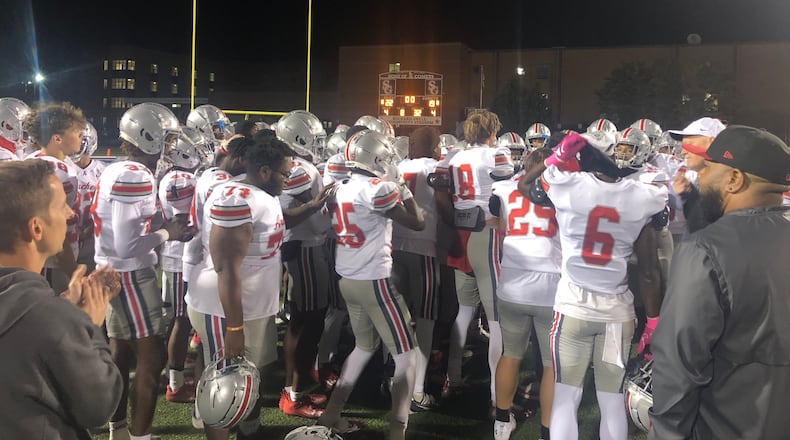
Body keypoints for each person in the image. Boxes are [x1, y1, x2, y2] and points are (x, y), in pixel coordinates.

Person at [517, 132, 667, 440]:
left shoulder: (568, 185)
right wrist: (653, 321)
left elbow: (524, 185)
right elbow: (649, 272)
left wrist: (552, 158)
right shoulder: (644, 196)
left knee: (565, 397)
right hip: (616, 313)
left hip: (572, 309)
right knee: (611, 400)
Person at [186, 137, 332, 440]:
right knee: (224, 388)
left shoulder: (258, 193)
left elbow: (275, 223)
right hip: (222, 308)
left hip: (251, 306)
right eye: (284, 174)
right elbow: (225, 266)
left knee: (251, 376)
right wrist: (234, 328)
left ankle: (250, 431)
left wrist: (310, 207)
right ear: (264, 171)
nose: (288, 180)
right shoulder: (236, 198)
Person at [649, 125, 790, 439]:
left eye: (710, 168)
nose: (702, 176)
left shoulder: (705, 249)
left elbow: (679, 367)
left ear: (734, 179)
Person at [0, 159, 123, 440]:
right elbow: (98, 406)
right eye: (60, 206)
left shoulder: (49, 314)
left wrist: (64, 312)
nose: (69, 214)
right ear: (36, 228)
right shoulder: (51, 318)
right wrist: (87, 326)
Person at [92, 103, 192, 440]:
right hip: (130, 274)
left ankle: (118, 431)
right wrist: (168, 234)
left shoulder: (119, 169)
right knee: (151, 361)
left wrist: (165, 226)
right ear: (147, 138)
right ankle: (139, 436)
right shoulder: (135, 174)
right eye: (165, 139)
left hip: (114, 270)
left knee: (120, 353)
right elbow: (126, 245)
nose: (170, 147)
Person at [317, 130, 424, 440]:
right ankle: (397, 432)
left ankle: (330, 414)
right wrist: (403, 188)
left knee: (364, 346)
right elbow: (417, 223)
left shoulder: (339, 188)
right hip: (374, 280)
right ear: (374, 158)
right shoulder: (378, 190)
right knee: (408, 356)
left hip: (347, 278)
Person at [443, 110, 514, 411]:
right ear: (490, 132)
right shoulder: (495, 155)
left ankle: (453, 377)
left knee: (464, 311)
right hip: (486, 232)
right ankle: (498, 398)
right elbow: (510, 186)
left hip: (460, 232)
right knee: (497, 318)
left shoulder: (455, 158)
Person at [491, 148, 560, 440]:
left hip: (512, 284)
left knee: (510, 354)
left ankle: (502, 422)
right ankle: (547, 430)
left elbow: (504, 230)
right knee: (550, 364)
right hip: (550, 287)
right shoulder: (561, 191)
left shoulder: (506, 189)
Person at [391, 126, 442, 412]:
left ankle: (393, 379)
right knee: (425, 322)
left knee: (397, 321)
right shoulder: (437, 168)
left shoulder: (398, 166)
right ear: (434, 147)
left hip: (396, 247)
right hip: (424, 249)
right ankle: (418, 390)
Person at [22, 101, 86, 292]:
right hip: (53, 261)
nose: (82, 137)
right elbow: (53, 227)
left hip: (48, 257)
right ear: (57, 139)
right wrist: (73, 270)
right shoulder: (55, 170)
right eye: (77, 133)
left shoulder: (37, 159)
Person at [666, 117, 726, 233]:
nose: (683, 152)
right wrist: (690, 196)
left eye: (689, 144)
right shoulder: (701, 178)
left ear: (711, 143)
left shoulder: (729, 181)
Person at [72, 121, 106, 273]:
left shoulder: (103, 171)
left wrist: (92, 226)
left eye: (81, 141)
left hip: (94, 236)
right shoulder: (63, 167)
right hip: (67, 234)